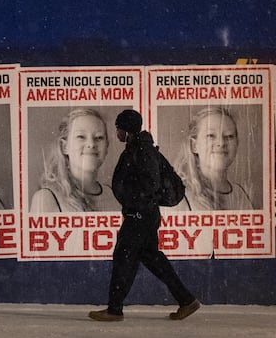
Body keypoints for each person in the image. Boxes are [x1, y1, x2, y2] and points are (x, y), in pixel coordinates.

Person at [89, 109, 201, 322]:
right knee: (152, 258)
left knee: (123, 257)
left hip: (140, 216)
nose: (117, 132)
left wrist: (137, 206)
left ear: (126, 130)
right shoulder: (138, 148)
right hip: (143, 215)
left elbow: (151, 184)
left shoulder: (142, 150)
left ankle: (114, 309)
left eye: (119, 128)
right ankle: (186, 300)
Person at [30, 108, 118, 213]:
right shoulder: (47, 198)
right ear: (64, 147)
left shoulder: (114, 195)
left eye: (99, 137)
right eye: (81, 137)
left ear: (107, 147)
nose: (91, 144)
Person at [173, 106, 253, 211]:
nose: (221, 143)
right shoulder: (180, 196)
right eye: (211, 136)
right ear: (194, 145)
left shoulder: (240, 193)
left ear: (237, 143)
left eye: (229, 136)